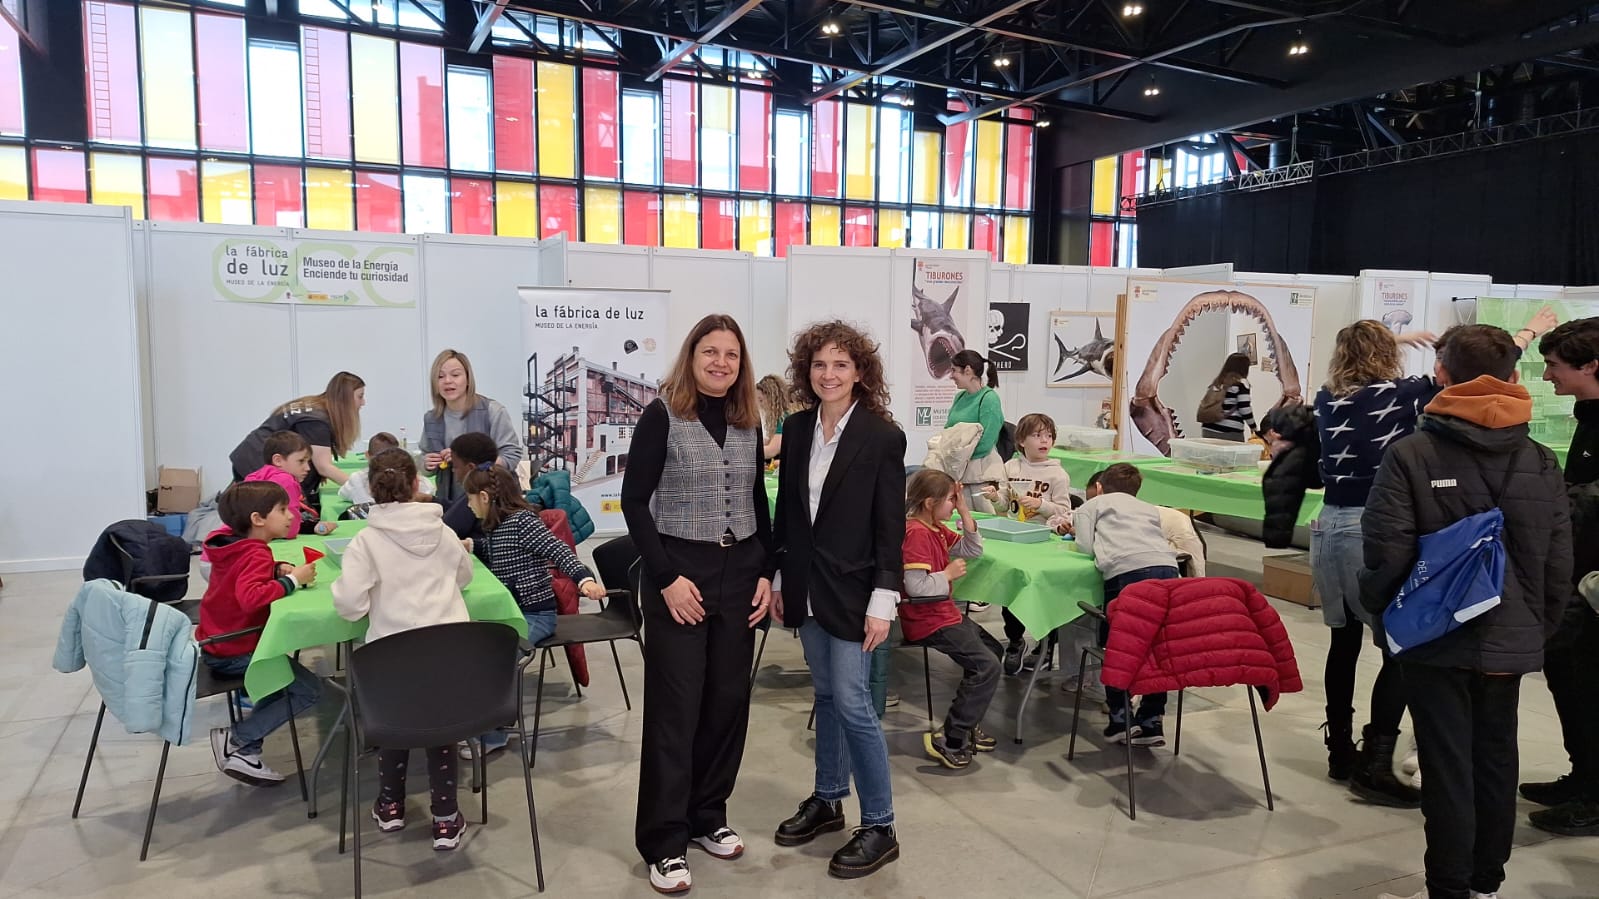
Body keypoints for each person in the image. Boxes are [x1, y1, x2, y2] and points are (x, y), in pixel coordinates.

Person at [1364, 324, 1572, 899]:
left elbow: (1386, 553)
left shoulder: (1410, 453)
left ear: (1443, 376)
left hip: (1434, 638)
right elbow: (1558, 562)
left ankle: (1450, 885)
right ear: (1512, 378)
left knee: (1447, 764)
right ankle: (1486, 883)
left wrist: (1387, 617)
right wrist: (1538, 627)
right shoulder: (1540, 460)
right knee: (1496, 759)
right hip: (1510, 635)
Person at [1309, 316, 1553, 804]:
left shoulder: (1326, 398)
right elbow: (1479, 373)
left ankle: (1340, 751)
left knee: (1343, 642)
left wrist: (1385, 338)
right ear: (1389, 355)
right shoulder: (1403, 395)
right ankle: (1377, 760)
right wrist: (1527, 333)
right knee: (1399, 648)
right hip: (1370, 524)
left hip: (1328, 523)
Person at [619, 314, 773, 894]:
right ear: (691, 356)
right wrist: (665, 578)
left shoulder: (747, 419)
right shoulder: (662, 414)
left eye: (731, 354)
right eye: (710, 352)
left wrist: (766, 569)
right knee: (675, 710)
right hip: (680, 574)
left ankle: (709, 815)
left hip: (740, 574)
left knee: (727, 702)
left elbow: (757, 497)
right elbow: (635, 503)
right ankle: (664, 840)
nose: (720, 363)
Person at [771, 320, 906, 880]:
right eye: (820, 364)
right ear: (807, 370)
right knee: (825, 696)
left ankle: (880, 823)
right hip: (805, 585)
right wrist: (780, 577)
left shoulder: (881, 436)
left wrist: (884, 597)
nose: (829, 374)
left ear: (860, 373)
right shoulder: (797, 428)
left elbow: (888, 525)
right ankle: (828, 799)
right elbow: (789, 512)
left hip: (856, 591)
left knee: (853, 703)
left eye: (841, 365)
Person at [329, 449, 474, 850]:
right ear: (416, 485)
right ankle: (446, 819)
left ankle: (390, 805)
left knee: (392, 723)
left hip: (392, 663)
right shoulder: (443, 531)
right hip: (450, 657)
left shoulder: (366, 542)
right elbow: (463, 577)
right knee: (440, 729)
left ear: (371, 490)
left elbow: (351, 605)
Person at [463, 464, 607, 758]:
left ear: (484, 497)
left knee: (498, 658)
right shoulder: (495, 527)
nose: (467, 505)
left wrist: (584, 579)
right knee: (476, 652)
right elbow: (496, 551)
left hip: (536, 615)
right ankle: (479, 724)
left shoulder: (523, 523)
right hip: (512, 614)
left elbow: (559, 551)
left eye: (469, 498)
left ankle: (494, 735)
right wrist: (471, 545)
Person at [1524, 316, 1599, 837]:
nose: (1547, 376)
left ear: (1590, 365)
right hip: (1575, 575)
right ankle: (1583, 776)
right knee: (1568, 676)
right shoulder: (1587, 415)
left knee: (1588, 683)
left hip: (1593, 583)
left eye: (1554, 366)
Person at [198, 481, 320, 787]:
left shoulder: (232, 545)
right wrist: (292, 578)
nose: (291, 515)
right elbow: (251, 597)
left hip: (217, 643)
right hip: (235, 650)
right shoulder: (256, 553)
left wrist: (275, 568)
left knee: (282, 685)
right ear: (258, 519)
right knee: (308, 690)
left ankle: (246, 748)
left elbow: (241, 577)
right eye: (282, 509)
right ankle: (239, 739)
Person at [1073, 463, 1180, 747]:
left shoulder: (1092, 506)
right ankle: (1152, 720)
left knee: (1118, 645)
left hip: (1126, 574)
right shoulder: (1149, 508)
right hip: (1168, 571)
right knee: (1157, 647)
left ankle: (1121, 718)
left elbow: (1084, 546)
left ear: (1098, 487)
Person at [900, 469, 999, 770]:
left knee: (994, 651)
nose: (953, 506)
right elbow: (915, 587)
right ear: (930, 503)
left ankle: (967, 723)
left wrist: (965, 509)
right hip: (927, 619)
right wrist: (947, 575)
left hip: (944, 613)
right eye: (950, 501)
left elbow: (973, 549)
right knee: (987, 665)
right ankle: (952, 737)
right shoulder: (916, 533)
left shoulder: (935, 527)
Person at [999, 413, 1071, 675]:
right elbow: (1004, 504)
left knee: (1045, 593)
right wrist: (995, 496)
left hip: (1043, 541)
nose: (1044, 440)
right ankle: (1015, 641)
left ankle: (1046, 646)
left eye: (1049, 435)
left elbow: (1064, 511)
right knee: (1010, 590)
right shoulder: (1011, 468)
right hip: (1014, 538)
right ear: (1021, 440)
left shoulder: (1058, 474)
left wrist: (1042, 505)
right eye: (1037, 435)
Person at [229, 372, 366, 508]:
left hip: (250, 454)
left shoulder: (314, 405)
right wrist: (360, 490)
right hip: (255, 459)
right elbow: (324, 467)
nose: (363, 402)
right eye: (360, 397)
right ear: (345, 398)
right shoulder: (318, 421)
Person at [422, 349, 524, 507]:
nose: (447, 381)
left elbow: (512, 455)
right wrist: (426, 464)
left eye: (455, 375)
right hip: (450, 501)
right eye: (440, 376)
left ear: (468, 379)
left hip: (492, 501)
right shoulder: (431, 418)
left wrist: (467, 459)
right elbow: (424, 459)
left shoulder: (493, 411)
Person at [236, 430, 334, 538]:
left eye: (308, 462)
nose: (308, 468)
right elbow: (290, 528)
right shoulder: (286, 481)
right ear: (278, 460)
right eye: (301, 461)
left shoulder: (256, 476)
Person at [945, 348, 1007, 515]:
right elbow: (948, 433)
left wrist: (958, 456)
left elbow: (986, 441)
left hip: (980, 475)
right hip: (959, 473)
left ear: (968, 370)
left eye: (953, 371)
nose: (951, 376)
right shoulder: (959, 398)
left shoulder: (989, 399)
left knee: (984, 520)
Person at [338, 432, 435, 507]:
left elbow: (343, 494)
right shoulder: (414, 479)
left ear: (367, 455)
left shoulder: (357, 479)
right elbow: (429, 491)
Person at [1200, 352, 1256, 442]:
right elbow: (1245, 408)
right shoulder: (1241, 383)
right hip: (1229, 431)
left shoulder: (1217, 382)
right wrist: (1253, 427)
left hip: (1208, 428)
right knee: (1232, 456)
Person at [756, 373, 799, 462]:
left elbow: (772, 450)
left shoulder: (783, 419)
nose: (759, 405)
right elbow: (774, 440)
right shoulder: (784, 416)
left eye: (761, 400)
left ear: (771, 398)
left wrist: (746, 453)